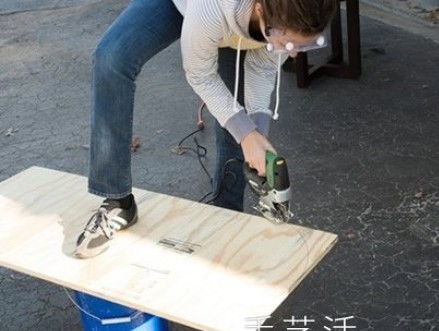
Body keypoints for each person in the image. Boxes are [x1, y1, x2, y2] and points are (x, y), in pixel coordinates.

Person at [74, 0, 337, 258]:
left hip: (244, 22)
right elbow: (199, 74)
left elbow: (262, 67)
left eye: (303, 46)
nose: (291, 54)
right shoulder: (214, 10)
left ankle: (225, 216)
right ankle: (118, 201)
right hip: (202, 8)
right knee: (111, 58)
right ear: (261, 10)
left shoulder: (288, 12)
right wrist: (246, 133)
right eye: (289, 44)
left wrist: (257, 133)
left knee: (240, 124)